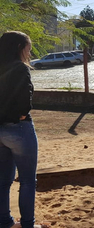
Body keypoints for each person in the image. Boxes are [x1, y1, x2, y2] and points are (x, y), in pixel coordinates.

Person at [0, 31, 47, 228]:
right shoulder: (20, 68)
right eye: (28, 47)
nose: (30, 51)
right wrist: (18, 115)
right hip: (19, 128)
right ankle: (27, 224)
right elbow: (24, 102)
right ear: (20, 47)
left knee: (3, 181)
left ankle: (4, 222)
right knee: (27, 181)